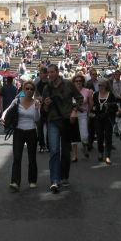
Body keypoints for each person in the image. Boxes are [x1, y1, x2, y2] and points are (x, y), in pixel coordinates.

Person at [41, 64, 82, 193]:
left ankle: (64, 176)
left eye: (52, 72)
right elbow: (44, 109)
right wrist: (46, 105)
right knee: (54, 150)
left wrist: (75, 110)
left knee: (65, 151)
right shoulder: (47, 88)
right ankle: (54, 180)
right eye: (49, 72)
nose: (50, 74)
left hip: (66, 120)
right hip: (53, 120)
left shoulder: (68, 84)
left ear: (58, 72)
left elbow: (79, 98)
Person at [2, 81, 41, 190]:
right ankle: (15, 182)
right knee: (17, 157)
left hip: (31, 131)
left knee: (32, 158)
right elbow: (8, 110)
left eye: (31, 89)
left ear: (34, 91)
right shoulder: (17, 101)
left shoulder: (36, 102)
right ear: (23, 89)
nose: (29, 91)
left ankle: (32, 181)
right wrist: (3, 117)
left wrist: (37, 109)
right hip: (18, 131)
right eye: (27, 88)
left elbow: (37, 119)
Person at [91, 79, 118, 164]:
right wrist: (93, 109)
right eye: (99, 85)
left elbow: (115, 106)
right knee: (99, 136)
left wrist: (109, 106)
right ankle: (100, 152)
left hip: (108, 118)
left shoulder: (110, 95)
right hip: (98, 118)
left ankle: (107, 156)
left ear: (106, 86)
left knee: (108, 137)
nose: (100, 87)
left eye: (101, 85)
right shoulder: (95, 95)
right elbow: (93, 106)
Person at [72, 75, 92, 161]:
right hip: (73, 114)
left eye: (80, 80)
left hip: (83, 114)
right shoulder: (70, 91)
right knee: (74, 136)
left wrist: (90, 113)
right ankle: (74, 155)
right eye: (76, 81)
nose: (78, 82)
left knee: (84, 136)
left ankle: (85, 146)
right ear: (74, 82)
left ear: (83, 82)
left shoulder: (87, 91)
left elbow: (90, 104)